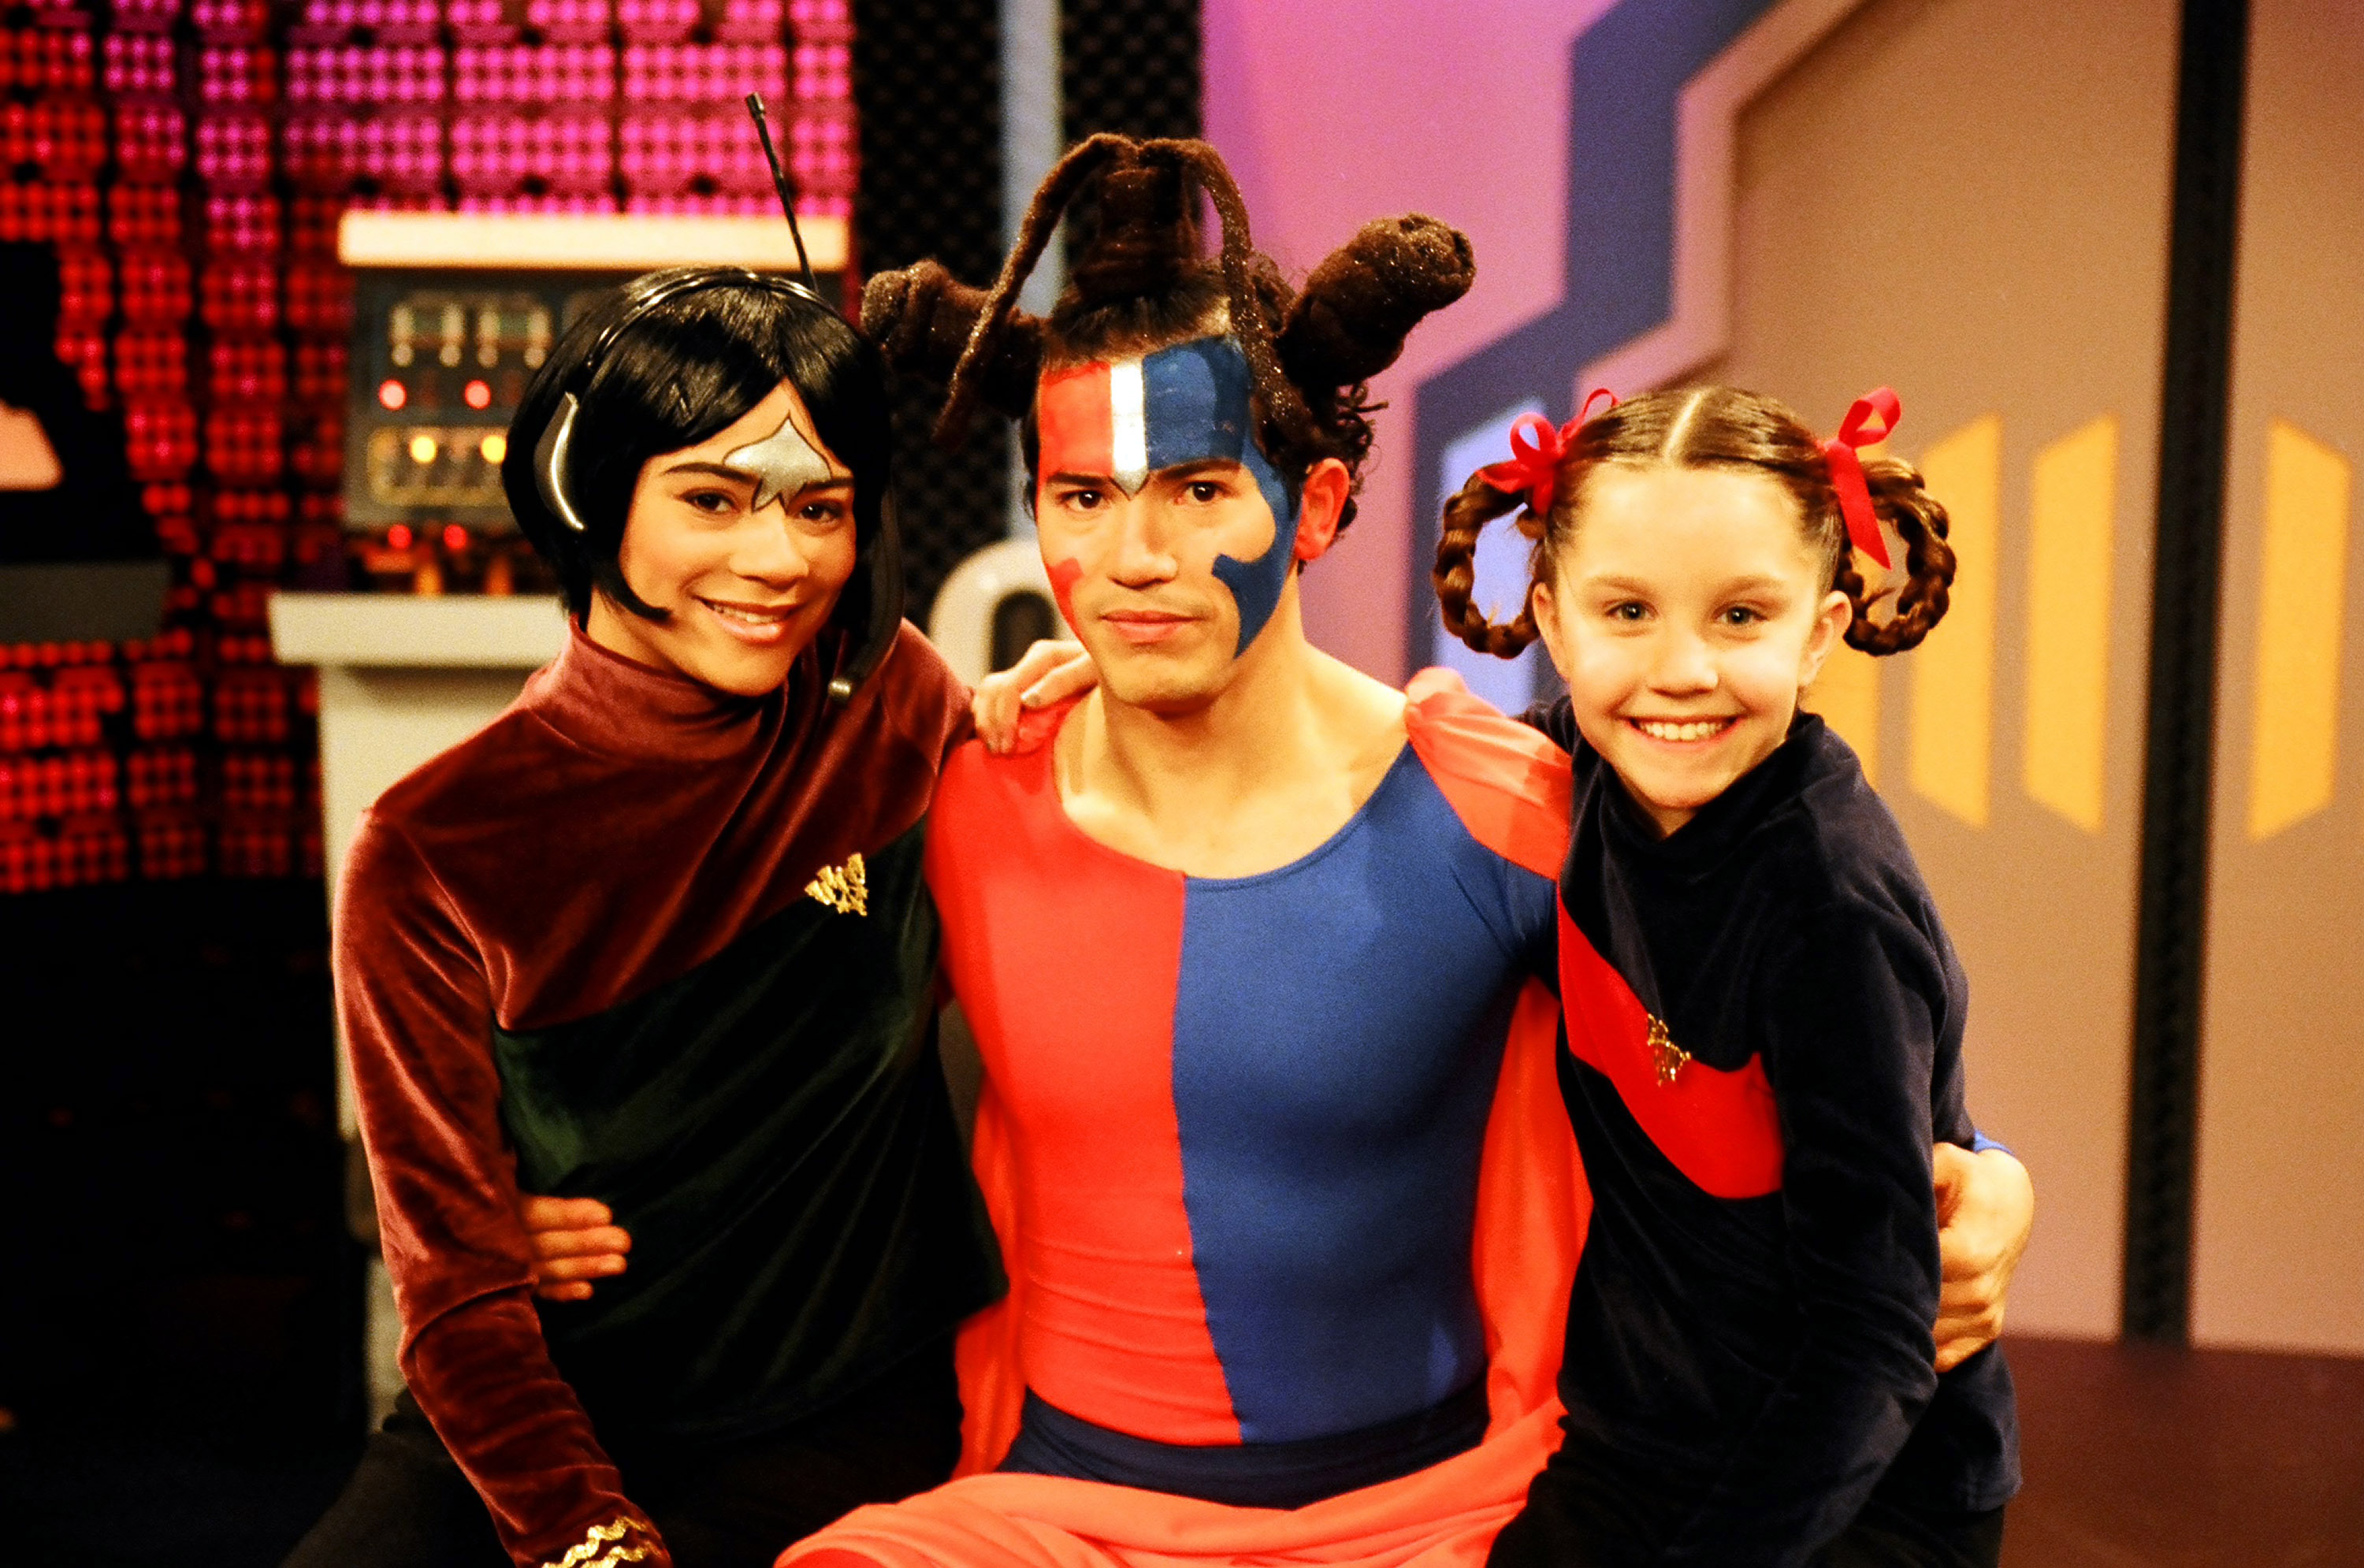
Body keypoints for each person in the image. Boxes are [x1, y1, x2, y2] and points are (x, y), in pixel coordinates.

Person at [284, 269, 1005, 1568]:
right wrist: (586, 1532)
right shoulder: (436, 849)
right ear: (588, 492)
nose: (778, 560)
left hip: (851, 1406)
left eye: (821, 508)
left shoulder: (890, 707)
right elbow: (457, 1302)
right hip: (529, 1415)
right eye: (713, 499)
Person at [1434, 387, 2020, 1566]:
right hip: (1632, 1448)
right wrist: (1103, 689)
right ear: (1554, 617)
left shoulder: (1830, 905)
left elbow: (1874, 1342)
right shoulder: (1578, 771)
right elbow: (1360, 741)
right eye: (1629, 610)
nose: (1681, 669)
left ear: (1820, 629)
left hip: (1856, 1489)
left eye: (1741, 615)